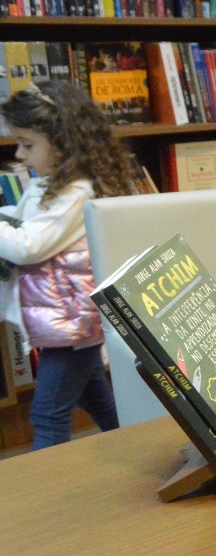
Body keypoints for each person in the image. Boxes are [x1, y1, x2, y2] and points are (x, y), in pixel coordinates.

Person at [0, 81, 133, 450]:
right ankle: (136, 445)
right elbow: (24, 220)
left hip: (71, 323)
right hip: (65, 320)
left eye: (28, 144)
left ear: (63, 142)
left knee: (47, 416)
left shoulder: (76, 193)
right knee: (99, 401)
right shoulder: (48, 185)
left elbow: (29, 244)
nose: (20, 154)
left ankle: (46, 497)